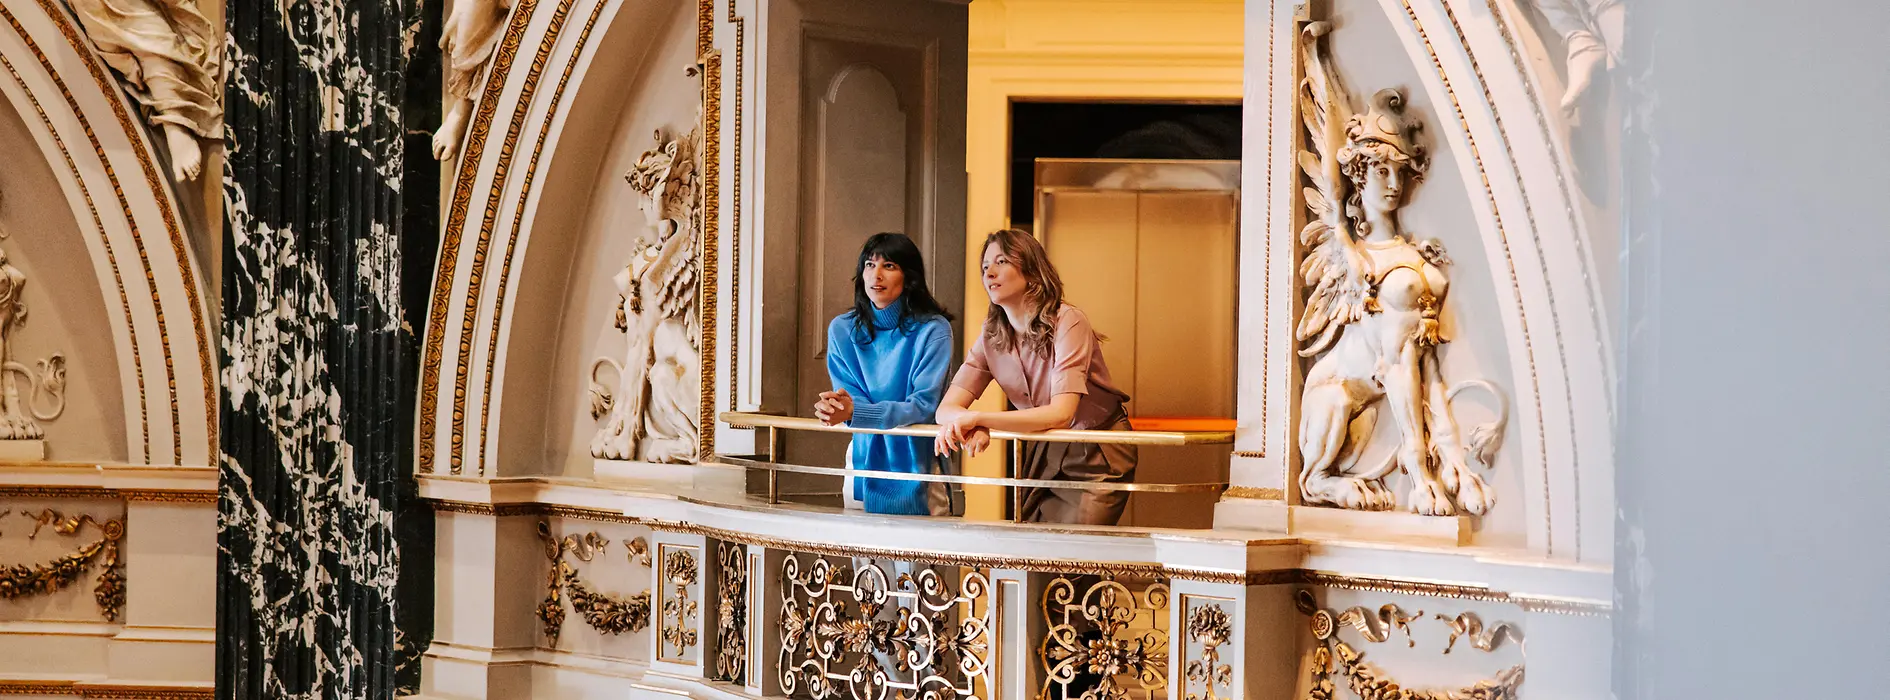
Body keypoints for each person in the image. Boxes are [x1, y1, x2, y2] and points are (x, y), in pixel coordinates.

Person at [934, 229, 1135, 525]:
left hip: (1097, 449)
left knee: (1075, 557)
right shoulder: (991, 333)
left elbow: (1061, 414)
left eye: (1001, 262)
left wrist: (979, 419)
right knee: (1036, 553)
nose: (989, 272)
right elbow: (946, 409)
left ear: (1031, 270)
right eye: (985, 266)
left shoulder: (1069, 320)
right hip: (1045, 448)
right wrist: (972, 425)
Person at [816, 233, 955, 515]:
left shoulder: (934, 330)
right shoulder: (842, 330)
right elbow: (851, 401)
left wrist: (856, 411)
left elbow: (923, 406)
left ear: (909, 277)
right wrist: (839, 408)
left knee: (920, 558)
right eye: (869, 265)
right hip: (862, 458)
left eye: (888, 266)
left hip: (920, 461)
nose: (876, 275)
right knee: (863, 558)